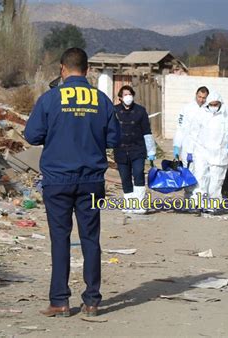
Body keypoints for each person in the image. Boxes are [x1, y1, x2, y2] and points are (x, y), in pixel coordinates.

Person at [24, 47, 120, 318]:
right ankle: (92, 301)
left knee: (60, 238)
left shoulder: (50, 99)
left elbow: (32, 135)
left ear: (62, 70)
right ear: (88, 70)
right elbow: (114, 139)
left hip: (57, 180)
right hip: (92, 180)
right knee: (91, 238)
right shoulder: (101, 100)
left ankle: (60, 301)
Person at [187, 90, 228, 213]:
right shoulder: (201, 114)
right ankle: (198, 204)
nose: (214, 107)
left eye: (216, 104)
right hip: (202, 151)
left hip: (219, 153)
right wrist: (189, 151)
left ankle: (212, 206)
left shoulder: (227, 114)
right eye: (212, 104)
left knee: (216, 181)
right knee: (200, 179)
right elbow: (193, 133)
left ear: (220, 103)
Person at [113, 85, 156, 213]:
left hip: (137, 149)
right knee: (125, 177)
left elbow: (147, 132)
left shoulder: (140, 111)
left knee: (138, 174)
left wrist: (151, 150)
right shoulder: (114, 111)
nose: (128, 97)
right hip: (120, 149)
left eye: (130, 94)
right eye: (125, 95)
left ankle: (139, 204)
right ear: (120, 98)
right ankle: (129, 204)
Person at [173, 86, 209, 163]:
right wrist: (177, 146)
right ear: (196, 94)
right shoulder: (186, 109)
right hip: (187, 145)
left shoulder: (209, 110)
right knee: (188, 171)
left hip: (203, 148)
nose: (201, 100)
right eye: (199, 97)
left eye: (204, 98)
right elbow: (180, 128)